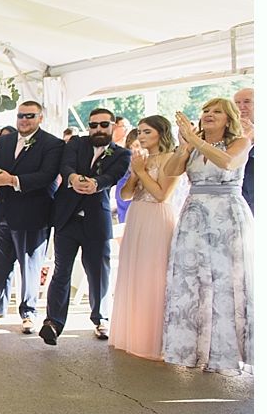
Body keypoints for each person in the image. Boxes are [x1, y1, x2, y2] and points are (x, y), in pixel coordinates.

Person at [162, 99, 253, 375]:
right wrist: (185, 146)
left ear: (229, 119)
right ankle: (192, 350)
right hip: (194, 215)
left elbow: (227, 163)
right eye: (206, 111)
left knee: (226, 281)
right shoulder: (193, 142)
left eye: (217, 112)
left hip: (226, 215)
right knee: (194, 281)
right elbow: (171, 171)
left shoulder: (240, 142)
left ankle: (226, 354)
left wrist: (197, 142)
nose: (209, 115)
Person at [41, 108, 130, 345]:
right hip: (67, 218)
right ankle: (53, 322)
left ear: (113, 126)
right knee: (61, 272)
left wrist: (96, 184)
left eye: (103, 125)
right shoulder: (76, 144)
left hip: (96, 220)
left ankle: (100, 318)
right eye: (93, 125)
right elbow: (66, 165)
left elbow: (113, 176)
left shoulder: (122, 153)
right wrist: (72, 179)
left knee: (98, 271)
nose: (98, 129)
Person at [0, 102, 64, 335]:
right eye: (20, 116)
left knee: (29, 267)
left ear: (40, 118)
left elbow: (46, 177)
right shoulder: (5, 141)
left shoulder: (52, 144)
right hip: (3, 211)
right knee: (0, 264)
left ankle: (29, 312)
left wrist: (12, 181)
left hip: (32, 214)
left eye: (30, 116)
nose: (24, 120)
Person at [108, 116, 179, 361]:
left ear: (161, 132)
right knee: (134, 273)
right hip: (137, 215)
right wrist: (135, 174)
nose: (141, 136)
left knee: (154, 275)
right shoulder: (139, 158)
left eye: (147, 131)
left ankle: (154, 339)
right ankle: (133, 335)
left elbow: (162, 194)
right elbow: (126, 195)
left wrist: (140, 171)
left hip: (157, 217)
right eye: (139, 131)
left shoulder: (171, 158)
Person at [233, 87, 253, 213]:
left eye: (247, 102)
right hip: (237, 197)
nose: (241, 107)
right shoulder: (230, 132)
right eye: (237, 103)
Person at [114, 129, 139, 223]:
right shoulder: (125, 164)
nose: (138, 150)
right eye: (135, 146)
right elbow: (122, 196)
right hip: (127, 207)